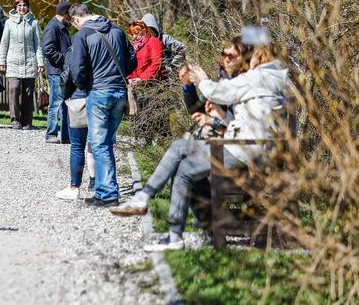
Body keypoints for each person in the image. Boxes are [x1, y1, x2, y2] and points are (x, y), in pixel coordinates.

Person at [112, 43, 288, 252]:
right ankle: (174, 227)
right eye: (225, 54)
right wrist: (208, 109)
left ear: (256, 58)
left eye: (235, 56)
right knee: (185, 165)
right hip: (249, 145)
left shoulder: (256, 78)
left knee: (182, 157)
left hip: (245, 148)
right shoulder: (271, 79)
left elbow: (218, 94)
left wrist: (202, 79)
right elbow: (247, 118)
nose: (229, 59)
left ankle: (155, 211)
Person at [68, 3, 137, 207]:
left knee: (99, 144)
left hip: (98, 92)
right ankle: (107, 188)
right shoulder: (118, 30)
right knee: (106, 143)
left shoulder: (82, 35)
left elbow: (77, 69)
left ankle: (107, 194)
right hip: (119, 93)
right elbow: (133, 60)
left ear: (76, 19)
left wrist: (85, 86)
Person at [54, 53, 97, 200]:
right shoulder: (109, 38)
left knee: (77, 146)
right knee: (100, 145)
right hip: (101, 96)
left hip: (79, 97)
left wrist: (67, 95)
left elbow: (68, 75)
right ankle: (100, 183)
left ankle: (75, 187)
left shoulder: (76, 47)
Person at [0, 0, 44, 130]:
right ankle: (15, 119)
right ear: (15, 7)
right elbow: (4, 43)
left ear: (28, 7)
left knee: (28, 92)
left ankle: (27, 121)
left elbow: (38, 45)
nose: (22, 8)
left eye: (24, 5)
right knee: (14, 88)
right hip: (13, 62)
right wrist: (1, 61)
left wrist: (40, 63)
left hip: (29, 62)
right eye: (19, 5)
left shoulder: (34, 23)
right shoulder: (9, 23)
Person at [42, 0, 72, 143]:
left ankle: (66, 136)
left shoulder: (62, 27)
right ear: (65, 14)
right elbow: (47, 49)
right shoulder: (52, 27)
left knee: (64, 104)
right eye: (70, 14)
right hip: (56, 71)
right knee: (56, 103)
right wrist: (63, 61)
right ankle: (51, 134)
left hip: (62, 71)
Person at [126, 20, 164, 86]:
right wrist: (130, 78)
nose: (134, 37)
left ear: (144, 30)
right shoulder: (136, 46)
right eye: (132, 34)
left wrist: (142, 78)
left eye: (136, 33)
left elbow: (157, 63)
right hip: (138, 84)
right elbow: (133, 65)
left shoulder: (153, 41)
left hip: (154, 83)